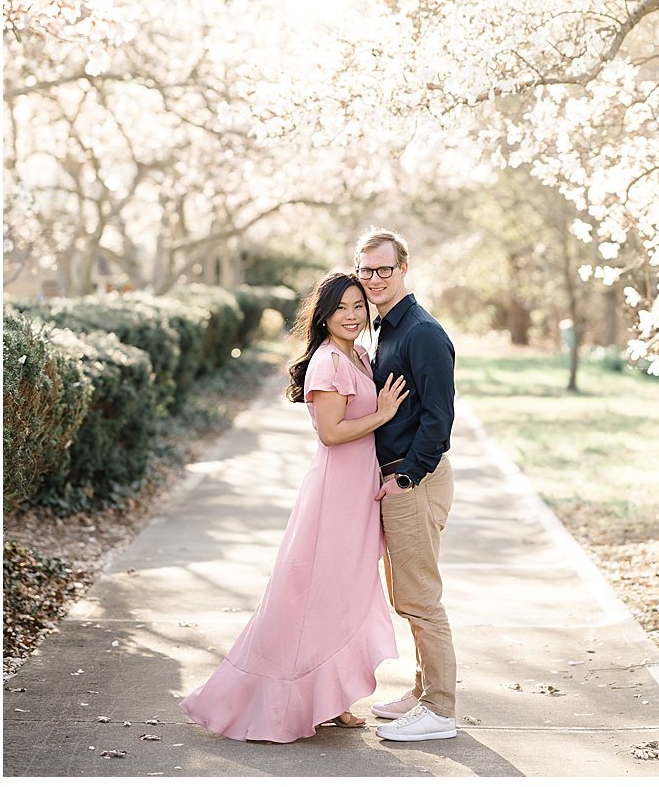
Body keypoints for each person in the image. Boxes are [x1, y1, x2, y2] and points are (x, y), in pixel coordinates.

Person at [180, 271, 407, 743]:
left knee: (346, 594)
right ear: (324, 314)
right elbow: (331, 433)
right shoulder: (327, 363)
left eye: (358, 306)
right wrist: (382, 414)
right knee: (311, 595)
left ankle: (334, 697)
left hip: (359, 490)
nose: (352, 315)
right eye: (342, 307)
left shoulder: (359, 355)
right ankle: (271, 699)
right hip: (334, 494)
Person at [357, 227, 459, 742]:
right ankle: (422, 693)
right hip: (398, 477)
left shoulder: (421, 332)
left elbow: (440, 419)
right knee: (407, 596)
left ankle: (440, 711)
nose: (374, 278)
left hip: (413, 478)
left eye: (384, 269)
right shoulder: (383, 329)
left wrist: (405, 476)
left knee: (421, 597)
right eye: (366, 269)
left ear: (403, 270)